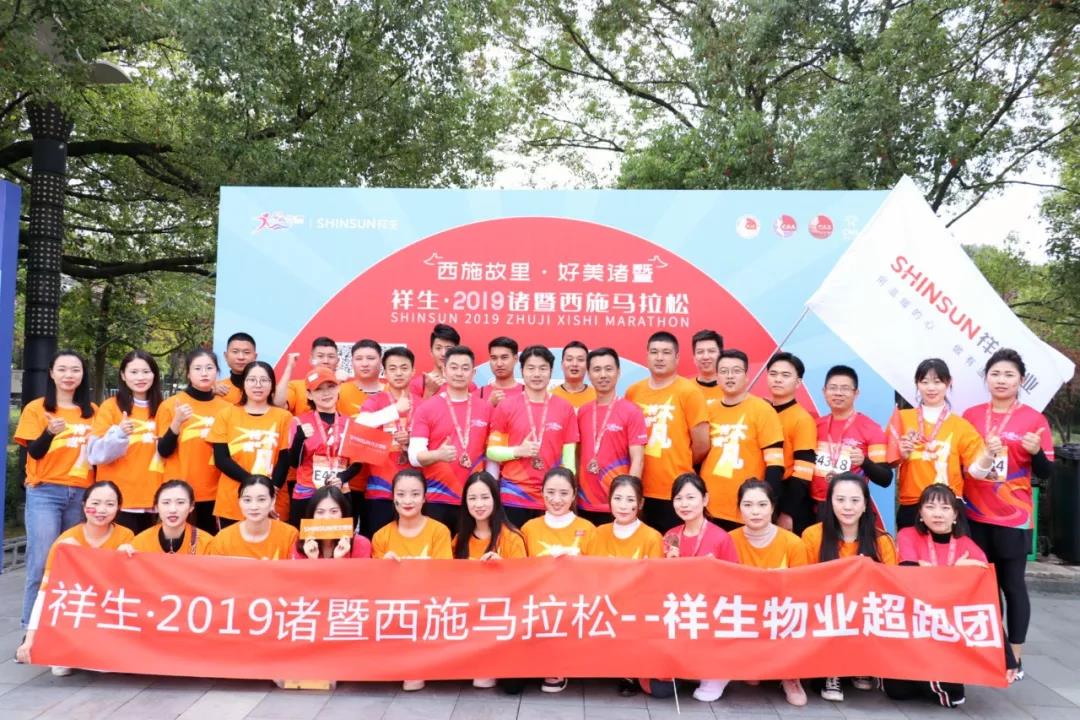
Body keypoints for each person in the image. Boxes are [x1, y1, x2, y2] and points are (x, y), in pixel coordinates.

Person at [962, 348, 1053, 683]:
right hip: (973, 514)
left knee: (1012, 586)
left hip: (1013, 517)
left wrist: (1035, 452)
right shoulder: (970, 415)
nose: (1001, 380)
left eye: (1009, 375)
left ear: (1020, 380)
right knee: (982, 586)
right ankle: (990, 651)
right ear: (986, 378)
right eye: (995, 374)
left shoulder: (1034, 420)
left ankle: (1016, 656)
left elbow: (1046, 472)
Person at [886, 484, 990, 708]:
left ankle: (935, 677)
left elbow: (984, 595)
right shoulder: (907, 535)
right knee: (896, 691)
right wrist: (954, 571)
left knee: (952, 696)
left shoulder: (967, 545)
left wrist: (1008, 658)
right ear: (920, 514)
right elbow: (907, 571)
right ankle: (928, 677)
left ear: (955, 515)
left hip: (948, 629)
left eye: (945, 508)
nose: (937, 513)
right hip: (914, 623)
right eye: (930, 507)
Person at [14, 349, 97, 631]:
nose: (68, 375)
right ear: (51, 373)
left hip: (81, 495)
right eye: (62, 369)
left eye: (75, 369)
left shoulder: (93, 412)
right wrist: (49, 432)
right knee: (40, 563)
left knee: (73, 563)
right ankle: (30, 630)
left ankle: (64, 631)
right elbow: (34, 453)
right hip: (45, 493)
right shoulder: (36, 409)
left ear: (83, 374)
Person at [15, 480, 134, 674]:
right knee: (60, 668)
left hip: (107, 610)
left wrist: (128, 555)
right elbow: (45, 593)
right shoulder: (65, 542)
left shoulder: (126, 536)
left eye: (110, 504)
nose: (101, 510)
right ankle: (67, 649)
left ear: (118, 507)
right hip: (76, 609)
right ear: (84, 505)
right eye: (95, 503)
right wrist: (29, 641)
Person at [801, 472, 896, 702]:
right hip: (826, 610)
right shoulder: (812, 536)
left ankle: (861, 664)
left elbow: (891, 587)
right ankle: (831, 670)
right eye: (840, 499)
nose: (847, 507)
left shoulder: (882, 541)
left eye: (855, 500)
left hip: (864, 611)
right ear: (830, 502)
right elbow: (803, 582)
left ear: (865, 505)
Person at [372, 469, 453, 692]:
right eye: (401, 494)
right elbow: (376, 585)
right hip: (394, 606)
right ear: (393, 497)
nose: (408, 501)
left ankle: (417, 665)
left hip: (429, 604)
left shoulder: (439, 531)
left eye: (415, 494)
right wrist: (385, 568)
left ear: (425, 497)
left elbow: (445, 576)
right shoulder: (381, 536)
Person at [729, 479, 809, 706]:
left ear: (773, 507)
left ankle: (790, 676)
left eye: (762, 505)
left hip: (781, 614)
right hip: (745, 613)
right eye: (748, 505)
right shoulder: (729, 540)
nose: (755, 511)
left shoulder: (793, 543)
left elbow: (803, 590)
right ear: (739, 508)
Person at [886, 358, 991, 529]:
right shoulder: (902, 418)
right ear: (917, 384)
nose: (931, 388)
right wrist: (901, 455)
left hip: (948, 506)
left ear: (948, 383)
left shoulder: (961, 426)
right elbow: (888, 463)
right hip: (912, 504)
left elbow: (977, 472)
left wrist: (989, 455)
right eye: (924, 382)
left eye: (937, 382)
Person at [662, 472, 738, 702]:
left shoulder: (721, 537)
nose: (684, 504)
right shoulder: (671, 536)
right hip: (678, 608)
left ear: (705, 499)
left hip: (711, 611)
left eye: (691, 497)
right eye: (678, 498)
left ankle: (717, 672)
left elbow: (734, 581)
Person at [521, 467, 596, 694]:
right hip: (537, 602)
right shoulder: (529, 528)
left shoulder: (588, 529)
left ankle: (558, 665)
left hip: (575, 602)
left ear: (574, 495)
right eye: (550, 492)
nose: (556, 499)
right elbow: (519, 573)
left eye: (563, 493)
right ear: (542, 492)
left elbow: (598, 574)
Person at [626, 331, 709, 532]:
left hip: (676, 491)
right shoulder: (633, 392)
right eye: (654, 352)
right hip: (639, 488)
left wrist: (680, 459)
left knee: (674, 547)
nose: (660, 357)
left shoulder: (689, 392)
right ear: (647, 356)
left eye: (666, 352)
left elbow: (702, 444)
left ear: (677, 357)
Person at [488, 345, 579, 529]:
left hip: (551, 498)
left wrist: (563, 491)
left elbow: (569, 459)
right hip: (513, 495)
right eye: (531, 368)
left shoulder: (565, 408)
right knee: (514, 545)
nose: (537, 374)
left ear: (551, 371)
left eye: (543, 368)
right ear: (522, 371)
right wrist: (517, 451)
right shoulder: (506, 406)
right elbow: (492, 452)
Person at [410, 346, 492, 529]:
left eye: (465, 368)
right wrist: (438, 455)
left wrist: (491, 488)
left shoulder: (486, 408)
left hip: (475, 499)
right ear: (444, 371)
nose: (459, 373)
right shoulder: (426, 408)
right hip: (437, 497)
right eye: (454, 367)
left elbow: (491, 454)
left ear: (473, 373)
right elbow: (414, 456)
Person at [702, 349, 784, 529]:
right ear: (717, 377)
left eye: (736, 371)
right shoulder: (708, 410)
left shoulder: (763, 410)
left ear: (747, 376)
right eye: (724, 371)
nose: (730, 376)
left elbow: (775, 465)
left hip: (746, 509)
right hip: (708, 507)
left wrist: (767, 506)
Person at [87, 349, 164, 533]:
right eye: (134, 372)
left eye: (146, 371)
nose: (140, 377)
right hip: (119, 499)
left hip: (154, 500)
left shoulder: (164, 407)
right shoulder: (110, 407)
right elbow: (94, 454)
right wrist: (119, 433)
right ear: (123, 375)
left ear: (154, 374)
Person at [208, 362, 292, 527]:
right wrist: (257, 485)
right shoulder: (226, 415)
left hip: (273, 500)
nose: (258, 385)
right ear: (243, 384)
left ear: (272, 385)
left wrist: (269, 492)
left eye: (264, 380)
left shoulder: (284, 417)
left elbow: (284, 459)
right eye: (252, 379)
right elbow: (221, 459)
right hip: (233, 501)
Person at [156, 349, 230, 533]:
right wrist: (177, 422)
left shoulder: (227, 409)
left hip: (215, 492)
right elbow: (163, 451)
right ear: (188, 374)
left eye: (209, 368)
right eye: (197, 368)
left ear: (217, 371)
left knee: (209, 544)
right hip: (180, 492)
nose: (204, 373)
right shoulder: (171, 405)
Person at [284, 367, 363, 526]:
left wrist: (342, 478)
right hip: (307, 493)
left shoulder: (350, 423)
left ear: (338, 388)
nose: (326, 393)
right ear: (309, 394)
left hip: (340, 492)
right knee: (305, 539)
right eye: (319, 389)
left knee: (340, 538)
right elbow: (294, 463)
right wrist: (299, 438)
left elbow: (358, 463)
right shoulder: (299, 422)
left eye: (330, 387)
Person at [576, 348, 647, 526]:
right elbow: (577, 455)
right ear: (589, 374)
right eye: (597, 369)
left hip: (617, 505)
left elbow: (638, 459)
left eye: (608, 369)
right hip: (585, 502)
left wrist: (629, 499)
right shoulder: (583, 411)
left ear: (618, 372)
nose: (603, 375)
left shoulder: (632, 411)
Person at [810, 366, 891, 519]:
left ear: (856, 393)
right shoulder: (814, 426)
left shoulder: (871, 428)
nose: (838, 393)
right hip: (816, 507)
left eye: (845, 388)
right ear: (824, 391)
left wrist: (864, 462)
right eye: (833, 388)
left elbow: (885, 478)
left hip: (851, 509)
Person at [361, 346, 420, 537]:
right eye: (392, 369)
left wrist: (411, 441)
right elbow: (360, 425)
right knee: (377, 545)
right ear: (384, 373)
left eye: (404, 368)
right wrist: (396, 410)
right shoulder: (375, 401)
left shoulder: (424, 404)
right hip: (380, 489)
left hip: (414, 492)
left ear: (413, 371)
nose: (399, 373)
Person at [765, 352, 817, 534]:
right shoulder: (761, 411)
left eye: (785, 375)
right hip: (762, 493)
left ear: (798, 382)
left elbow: (803, 472)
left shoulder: (802, 419)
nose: (778, 379)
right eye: (773, 374)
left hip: (788, 496)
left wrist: (787, 513)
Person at [207, 475, 299, 560]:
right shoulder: (223, 539)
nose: (254, 507)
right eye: (247, 500)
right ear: (239, 501)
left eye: (261, 499)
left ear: (273, 501)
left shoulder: (290, 535)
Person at [125, 479, 214, 555]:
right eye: (166, 503)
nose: (173, 510)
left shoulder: (206, 543)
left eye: (180, 502)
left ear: (191, 506)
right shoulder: (141, 542)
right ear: (156, 507)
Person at [453, 471, 527, 561]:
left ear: (495, 499)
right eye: (472, 498)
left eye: (485, 497)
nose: (479, 504)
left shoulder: (512, 538)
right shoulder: (459, 540)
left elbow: (521, 570)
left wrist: (503, 565)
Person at [291, 485, 372, 559]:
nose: (327, 518)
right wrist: (312, 560)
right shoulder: (301, 546)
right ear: (312, 515)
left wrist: (340, 559)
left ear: (343, 513)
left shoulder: (361, 544)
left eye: (334, 511)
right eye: (320, 512)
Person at [275, 336, 343, 413]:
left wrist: (339, 383)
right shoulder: (296, 386)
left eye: (331, 357)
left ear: (337, 361)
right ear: (311, 359)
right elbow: (278, 405)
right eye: (320, 356)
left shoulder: (345, 387)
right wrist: (289, 367)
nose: (325, 361)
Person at [409, 323, 466, 399]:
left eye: (449, 348)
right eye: (438, 348)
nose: (443, 353)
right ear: (431, 352)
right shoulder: (417, 384)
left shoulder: (467, 384)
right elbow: (415, 407)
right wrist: (429, 392)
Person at [337, 338, 384, 416]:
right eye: (359, 359)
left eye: (371, 358)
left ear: (381, 361)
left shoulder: (392, 392)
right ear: (352, 362)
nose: (364, 364)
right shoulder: (340, 391)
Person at [551, 340, 596, 410]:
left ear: (587, 365)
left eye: (580, 359)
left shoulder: (597, 397)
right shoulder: (551, 396)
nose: (574, 364)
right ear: (562, 364)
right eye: (569, 359)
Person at [479, 336, 523, 406]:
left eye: (504, 357)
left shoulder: (528, 393)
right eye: (494, 358)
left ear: (515, 359)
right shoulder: (479, 394)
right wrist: (490, 404)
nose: (499, 364)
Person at [215, 332, 257, 404]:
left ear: (255, 357)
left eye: (246, 352)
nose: (241, 357)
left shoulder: (264, 388)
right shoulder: (217, 389)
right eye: (235, 352)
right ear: (226, 356)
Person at [691, 329, 724, 407]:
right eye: (700, 352)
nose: (706, 357)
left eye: (711, 351)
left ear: (721, 356)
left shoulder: (732, 390)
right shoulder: (685, 389)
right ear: (694, 358)